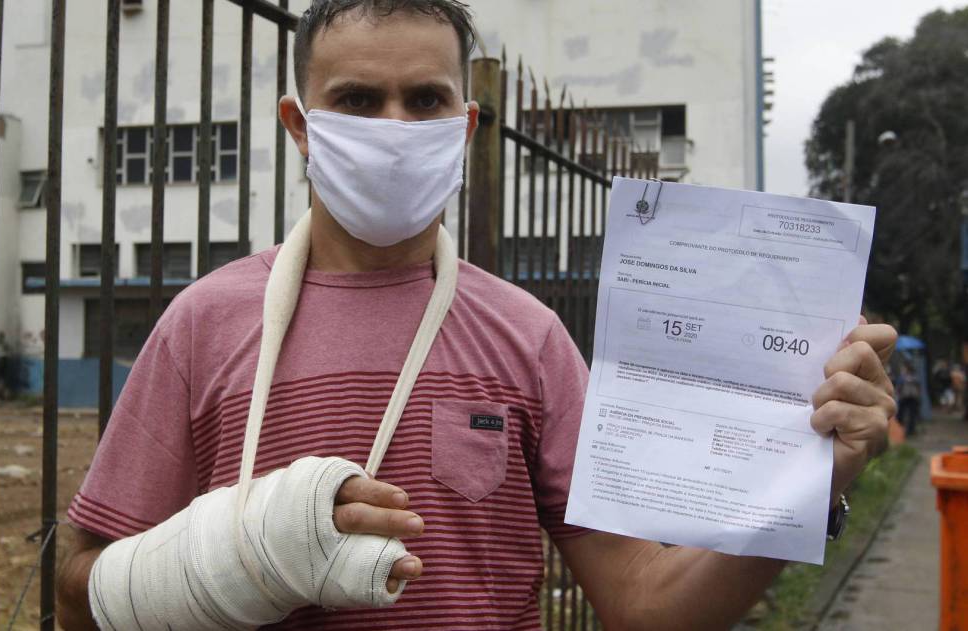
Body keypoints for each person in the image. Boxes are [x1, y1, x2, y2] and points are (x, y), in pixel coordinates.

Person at [55, 2, 898, 629]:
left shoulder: (528, 338)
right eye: (356, 99)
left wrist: (810, 485)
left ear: (465, 124)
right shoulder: (205, 323)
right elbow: (79, 586)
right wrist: (248, 547)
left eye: (424, 100)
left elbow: (647, 605)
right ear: (299, 127)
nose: (394, 127)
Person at [897, 363, 922, 436]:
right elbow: (919, 387)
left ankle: (905, 430)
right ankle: (907, 430)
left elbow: (899, 386)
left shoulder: (903, 377)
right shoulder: (915, 377)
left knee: (906, 414)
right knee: (910, 415)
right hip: (911, 398)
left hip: (906, 397)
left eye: (904, 368)